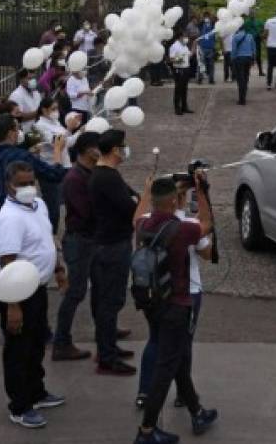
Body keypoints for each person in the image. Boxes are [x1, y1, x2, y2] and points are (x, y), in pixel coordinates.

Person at [133, 175, 217, 444]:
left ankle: (197, 411)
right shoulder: (181, 229)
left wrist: (145, 192)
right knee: (167, 367)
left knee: (177, 357)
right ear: (173, 201)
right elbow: (207, 224)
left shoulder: (143, 225)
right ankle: (146, 430)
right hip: (177, 305)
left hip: (153, 302)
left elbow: (137, 214)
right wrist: (202, 192)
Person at [0, 161, 67, 429]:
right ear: (9, 186)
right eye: (21, 184)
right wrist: (13, 306)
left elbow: (48, 238)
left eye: (30, 182)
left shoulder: (39, 205)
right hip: (16, 293)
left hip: (37, 288)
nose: (28, 188)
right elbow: (8, 263)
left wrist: (58, 268)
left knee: (35, 344)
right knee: (18, 350)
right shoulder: (9, 219)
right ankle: (20, 406)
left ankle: (37, 392)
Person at [90, 129, 138, 375]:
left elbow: (131, 196)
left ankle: (107, 347)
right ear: (115, 150)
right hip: (112, 246)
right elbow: (129, 206)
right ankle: (107, 357)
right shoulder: (106, 177)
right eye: (123, 146)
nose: (126, 150)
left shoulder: (107, 175)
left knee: (106, 302)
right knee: (110, 301)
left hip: (109, 243)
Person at [52, 132, 101, 362]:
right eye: (97, 147)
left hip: (91, 239)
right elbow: (85, 212)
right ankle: (61, 341)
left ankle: (104, 326)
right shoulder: (75, 178)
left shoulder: (91, 173)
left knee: (99, 285)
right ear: (86, 150)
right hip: (79, 240)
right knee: (75, 292)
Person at [0, 114, 67, 235]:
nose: (19, 133)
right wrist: (57, 150)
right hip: (21, 219)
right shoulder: (22, 156)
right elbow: (55, 174)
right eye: (17, 129)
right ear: (10, 133)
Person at [34, 98, 79, 235]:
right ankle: (51, 234)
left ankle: (65, 232)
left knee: (67, 201)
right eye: (53, 109)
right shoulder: (39, 126)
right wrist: (69, 129)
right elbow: (57, 143)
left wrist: (80, 132)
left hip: (65, 165)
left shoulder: (56, 122)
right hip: (50, 168)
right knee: (52, 206)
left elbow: (67, 143)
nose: (56, 112)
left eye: (57, 108)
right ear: (44, 110)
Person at [9, 69, 42, 135]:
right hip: (25, 133)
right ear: (21, 80)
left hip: (38, 130)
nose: (32, 81)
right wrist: (39, 112)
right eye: (29, 78)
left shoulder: (36, 93)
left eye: (34, 78)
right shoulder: (16, 95)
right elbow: (18, 117)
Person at [169, 32, 194, 115]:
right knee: (178, 89)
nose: (186, 39)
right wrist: (180, 60)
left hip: (186, 68)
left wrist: (194, 45)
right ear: (180, 37)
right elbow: (172, 59)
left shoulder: (184, 46)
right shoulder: (174, 46)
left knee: (184, 89)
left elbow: (190, 55)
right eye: (185, 37)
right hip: (179, 70)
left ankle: (184, 107)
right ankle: (177, 108)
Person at [231, 24, 256, 106]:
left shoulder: (235, 37)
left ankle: (241, 99)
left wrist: (232, 59)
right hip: (248, 59)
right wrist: (253, 59)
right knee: (246, 78)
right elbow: (254, 49)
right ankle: (244, 97)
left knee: (240, 79)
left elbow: (234, 50)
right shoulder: (250, 36)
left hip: (239, 59)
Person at [243, 9, 265, 77]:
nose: (253, 14)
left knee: (258, 56)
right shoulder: (246, 22)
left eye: (254, 13)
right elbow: (245, 31)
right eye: (251, 13)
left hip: (257, 40)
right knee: (249, 55)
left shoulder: (259, 22)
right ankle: (248, 71)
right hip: (249, 40)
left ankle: (260, 71)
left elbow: (263, 28)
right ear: (249, 14)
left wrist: (262, 36)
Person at [197, 12, 216, 85]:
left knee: (211, 64)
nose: (207, 18)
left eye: (208, 17)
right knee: (201, 64)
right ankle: (200, 78)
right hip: (202, 47)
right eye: (206, 17)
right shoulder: (201, 24)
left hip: (210, 47)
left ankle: (211, 79)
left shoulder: (213, 25)